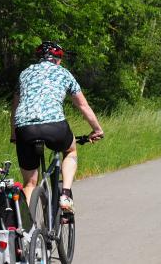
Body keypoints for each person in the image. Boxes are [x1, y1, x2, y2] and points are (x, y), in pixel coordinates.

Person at [10, 41, 104, 214]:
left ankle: (26, 232)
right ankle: (65, 195)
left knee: (30, 183)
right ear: (58, 59)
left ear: (38, 58)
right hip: (55, 127)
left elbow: (14, 107)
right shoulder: (63, 73)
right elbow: (83, 106)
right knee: (70, 150)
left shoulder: (25, 74)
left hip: (24, 129)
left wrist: (14, 135)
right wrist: (97, 129)